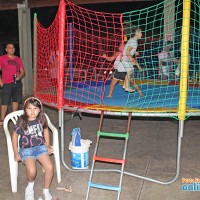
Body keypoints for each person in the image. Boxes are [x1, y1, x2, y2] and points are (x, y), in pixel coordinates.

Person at [12, 97, 58, 200]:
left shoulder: (41, 119)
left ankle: (46, 191)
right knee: (32, 171)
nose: (32, 112)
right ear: (25, 109)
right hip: (26, 149)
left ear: (39, 109)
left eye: (35, 108)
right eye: (29, 108)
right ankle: (30, 186)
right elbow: (14, 136)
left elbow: (46, 130)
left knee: (49, 168)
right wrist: (16, 152)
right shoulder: (21, 120)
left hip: (40, 147)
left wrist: (47, 145)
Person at [103, 26, 144, 97]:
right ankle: (110, 94)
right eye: (119, 47)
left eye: (121, 46)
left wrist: (138, 65)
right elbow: (110, 59)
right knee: (113, 83)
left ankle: (140, 92)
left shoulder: (126, 53)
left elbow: (132, 58)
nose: (120, 48)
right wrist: (105, 57)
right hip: (120, 70)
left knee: (132, 82)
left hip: (125, 70)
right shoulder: (118, 54)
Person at [0, 43, 25, 127]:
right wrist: (1, 82)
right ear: (6, 50)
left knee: (16, 101)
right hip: (6, 84)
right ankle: (2, 120)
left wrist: (20, 76)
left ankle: (15, 119)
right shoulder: (2, 58)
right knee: (5, 102)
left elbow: (22, 71)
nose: (12, 49)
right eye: (9, 48)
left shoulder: (18, 59)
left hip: (17, 84)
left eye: (13, 48)